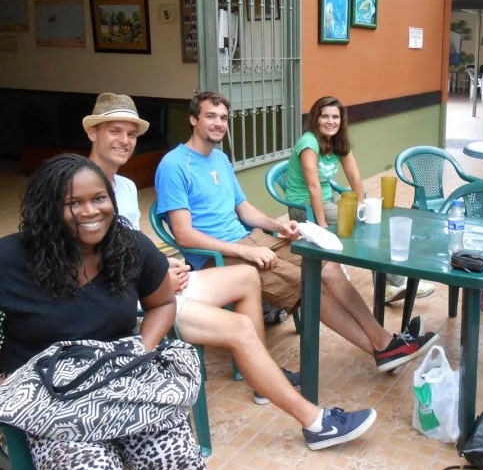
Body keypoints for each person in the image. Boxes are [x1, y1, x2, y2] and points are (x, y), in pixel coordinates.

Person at [83, 93, 376, 447]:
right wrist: (158, 272)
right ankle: (316, 416)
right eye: (115, 131)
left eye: (131, 134)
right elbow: (96, 262)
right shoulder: (82, 187)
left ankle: (376, 347)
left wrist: (161, 264)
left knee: (312, 266)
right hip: (135, 295)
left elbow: (130, 246)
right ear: (92, 133)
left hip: (157, 282)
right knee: (290, 291)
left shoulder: (128, 187)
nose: (125, 141)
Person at [0, 154, 210, 470]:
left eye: (99, 198)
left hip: (121, 385)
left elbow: (162, 304)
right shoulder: (11, 258)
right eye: (73, 203)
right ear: (47, 208)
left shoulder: (130, 247)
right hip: (48, 400)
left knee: (179, 460)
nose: (91, 211)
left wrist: (141, 348)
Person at [154, 91, 438, 373]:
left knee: (327, 265)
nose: (219, 123)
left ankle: (384, 342)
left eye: (223, 118)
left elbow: (243, 209)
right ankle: (383, 347)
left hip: (251, 240)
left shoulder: (220, 159)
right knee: (310, 283)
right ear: (193, 119)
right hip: (217, 257)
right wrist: (245, 251)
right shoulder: (174, 165)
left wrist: (278, 226)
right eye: (210, 117)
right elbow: (184, 235)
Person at [285, 95, 435, 302]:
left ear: (341, 120)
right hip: (305, 206)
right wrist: (322, 223)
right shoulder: (309, 143)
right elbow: (313, 187)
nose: (330, 121)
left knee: (370, 222)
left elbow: (354, 176)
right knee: (365, 229)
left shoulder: (337, 140)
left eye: (335, 117)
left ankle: (387, 285)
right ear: (315, 119)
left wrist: (362, 208)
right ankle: (396, 283)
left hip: (328, 199)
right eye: (325, 116)